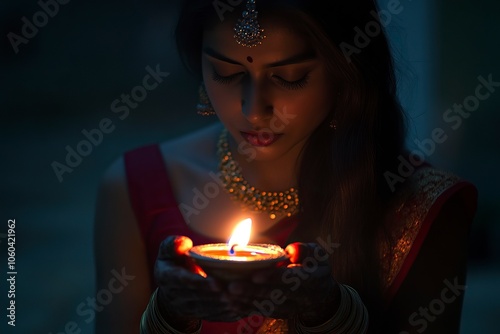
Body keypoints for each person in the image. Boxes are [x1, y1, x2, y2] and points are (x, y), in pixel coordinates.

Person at [93, 0, 478, 333]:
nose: (253, 109)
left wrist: (328, 313)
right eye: (227, 74)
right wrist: (171, 315)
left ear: (347, 73)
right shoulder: (134, 185)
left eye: (290, 78)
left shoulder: (417, 204)